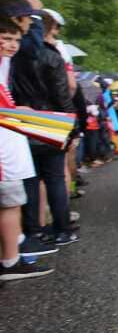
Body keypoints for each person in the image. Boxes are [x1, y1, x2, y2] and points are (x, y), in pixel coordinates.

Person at [2, 0, 77, 247]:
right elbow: (63, 92)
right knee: (55, 177)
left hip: (18, 122)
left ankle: (33, 231)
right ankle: (62, 228)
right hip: (46, 122)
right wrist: (70, 127)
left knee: (30, 179)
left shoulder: (11, 57)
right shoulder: (50, 56)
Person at [0, 19, 54, 282]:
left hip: (8, 149)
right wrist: (16, 112)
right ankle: (9, 262)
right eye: (6, 38)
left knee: (12, 203)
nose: (12, 45)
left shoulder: (4, 67)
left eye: (15, 40)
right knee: (10, 204)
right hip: (3, 156)